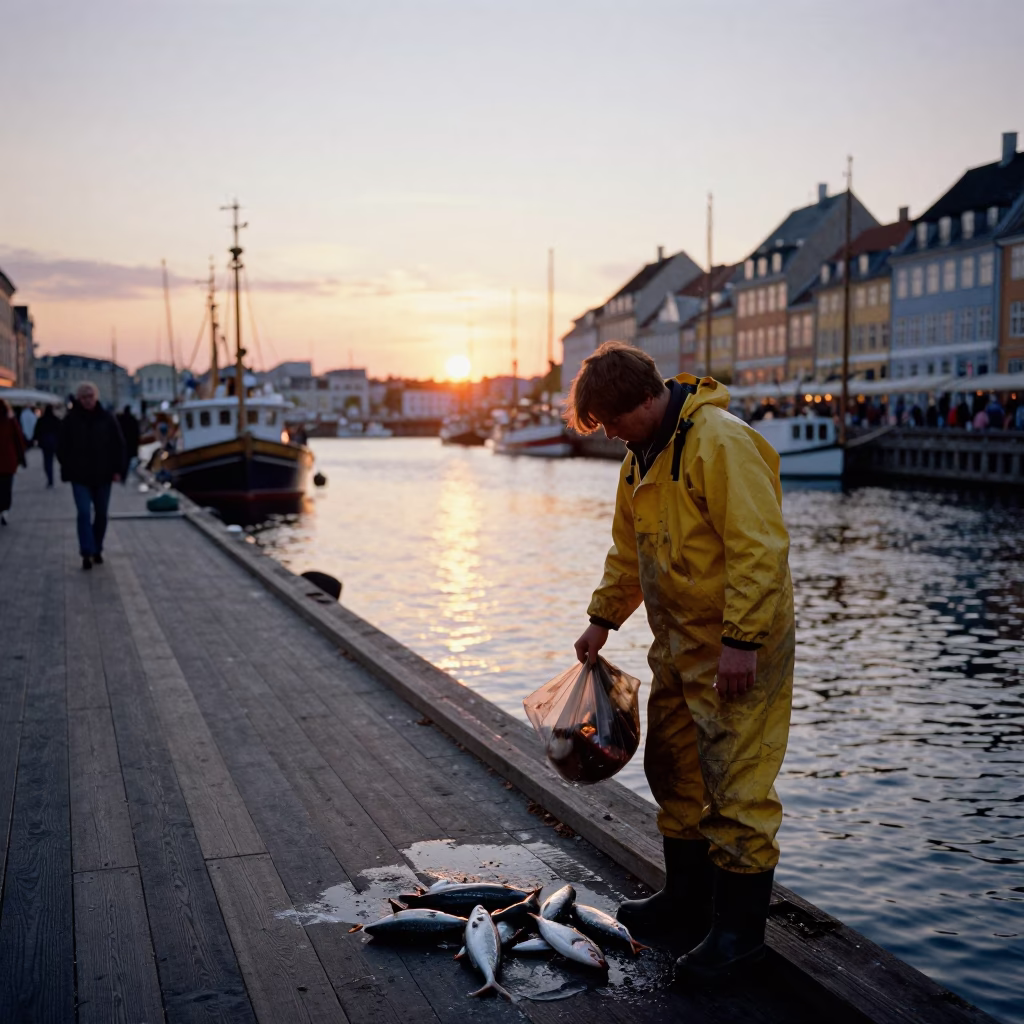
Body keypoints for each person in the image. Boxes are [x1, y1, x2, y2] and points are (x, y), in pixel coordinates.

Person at [567, 343, 794, 980]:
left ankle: (740, 934)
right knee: (673, 768)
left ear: (645, 399)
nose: (607, 433)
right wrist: (601, 618)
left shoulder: (718, 442)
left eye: (611, 420)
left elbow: (760, 548)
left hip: (736, 647)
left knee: (737, 784)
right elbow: (628, 552)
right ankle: (688, 901)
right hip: (678, 646)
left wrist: (742, 642)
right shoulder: (639, 458)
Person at [57, 382, 125, 569]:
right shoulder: (70, 420)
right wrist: (68, 466)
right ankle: (86, 550)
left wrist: (118, 470)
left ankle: (97, 548)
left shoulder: (107, 418)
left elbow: (118, 444)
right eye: (84, 397)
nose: (87, 400)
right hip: (79, 476)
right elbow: (61, 447)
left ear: (96, 397)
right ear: (78, 399)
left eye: (90, 396)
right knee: (84, 513)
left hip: (103, 474)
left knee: (102, 514)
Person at [0, 399, 28, 525]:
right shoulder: (10, 422)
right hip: (8, 462)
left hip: (8, 461)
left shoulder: (10, 422)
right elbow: (18, 440)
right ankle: (4, 510)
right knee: (6, 488)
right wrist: (22, 458)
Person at [33, 406, 61, 487]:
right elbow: (61, 431)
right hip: (54, 443)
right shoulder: (55, 420)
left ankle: (50, 478)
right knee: (51, 460)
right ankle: (51, 478)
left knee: (47, 462)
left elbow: (37, 431)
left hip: (45, 444)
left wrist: (35, 439)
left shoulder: (42, 420)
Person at [116, 405, 141, 478]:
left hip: (122, 445)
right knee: (126, 461)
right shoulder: (133, 420)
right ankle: (123, 475)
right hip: (130, 445)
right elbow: (136, 435)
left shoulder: (120, 419)